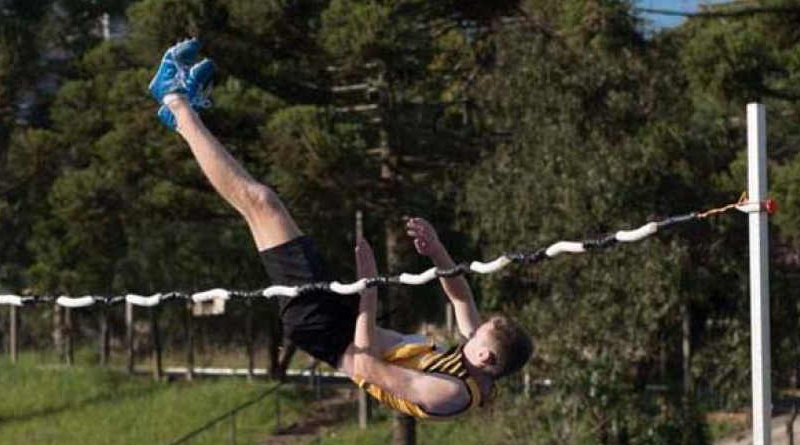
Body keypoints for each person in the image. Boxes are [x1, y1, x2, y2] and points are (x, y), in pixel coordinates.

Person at [149, 39, 533, 420]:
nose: (475, 327)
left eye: (482, 331)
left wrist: (368, 292)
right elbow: (462, 298)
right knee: (259, 206)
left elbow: (365, 368)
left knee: (261, 202)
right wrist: (436, 251)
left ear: (485, 356)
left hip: (323, 327)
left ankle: (174, 99)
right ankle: (184, 119)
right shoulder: (474, 360)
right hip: (344, 316)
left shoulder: (448, 392)